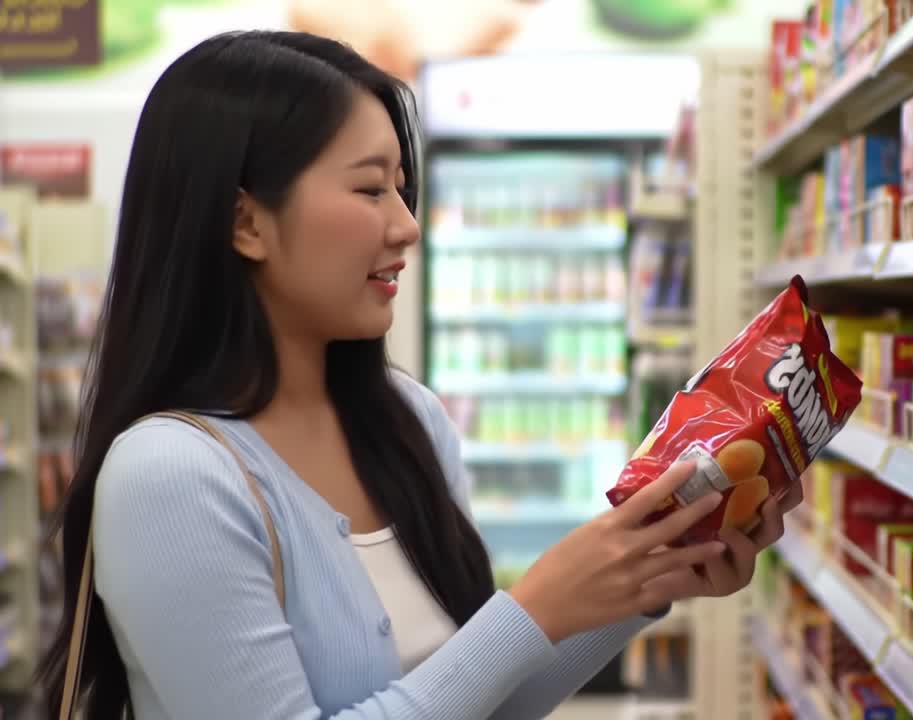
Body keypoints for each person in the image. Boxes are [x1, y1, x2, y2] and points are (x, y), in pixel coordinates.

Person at [39, 31, 796, 720]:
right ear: (245, 223)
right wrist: (528, 610)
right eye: (371, 189)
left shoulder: (409, 420)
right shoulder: (170, 477)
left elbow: (482, 704)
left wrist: (652, 573)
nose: (405, 224)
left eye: (403, 187)